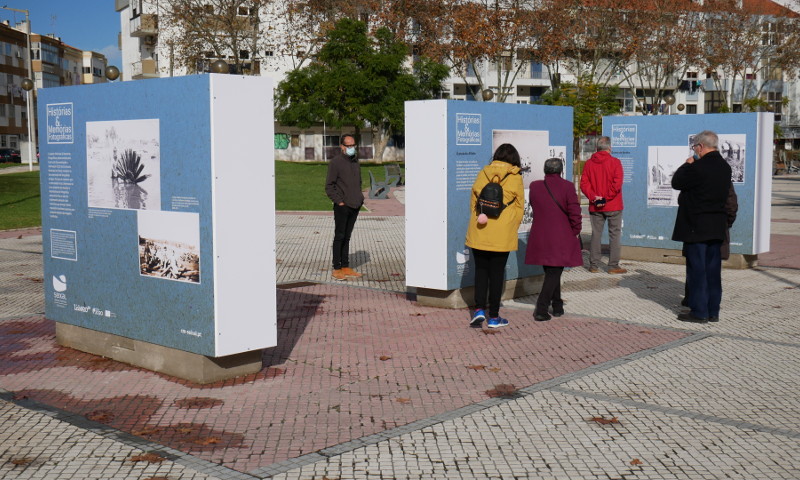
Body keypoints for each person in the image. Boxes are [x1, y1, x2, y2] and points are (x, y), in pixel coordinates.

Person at [672, 130, 732, 323]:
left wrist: (687, 164)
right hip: (716, 226)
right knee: (713, 271)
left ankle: (699, 312)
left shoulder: (698, 167)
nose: (694, 151)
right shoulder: (724, 166)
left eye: (695, 147)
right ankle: (713, 310)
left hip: (696, 226)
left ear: (701, 146)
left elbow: (676, 182)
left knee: (697, 270)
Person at [465, 144, 524, 328]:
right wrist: (510, 227)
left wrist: (480, 220)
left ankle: (479, 310)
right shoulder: (515, 177)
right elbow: (520, 208)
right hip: (502, 234)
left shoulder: (483, 173)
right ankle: (494, 317)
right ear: (514, 158)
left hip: (480, 231)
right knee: (497, 275)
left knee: (480, 271)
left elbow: (473, 203)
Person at [525, 158, 583, 321]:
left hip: (540, 236)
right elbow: (574, 211)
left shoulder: (535, 186)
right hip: (560, 237)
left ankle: (557, 305)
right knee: (554, 273)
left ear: (545, 170)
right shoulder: (567, 186)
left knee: (552, 271)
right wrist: (576, 230)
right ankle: (541, 309)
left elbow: (534, 205)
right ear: (561, 170)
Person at [682, 182, 738, 307]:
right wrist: (726, 224)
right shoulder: (723, 177)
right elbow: (732, 206)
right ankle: (708, 304)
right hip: (716, 230)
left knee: (695, 266)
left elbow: (683, 200)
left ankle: (694, 301)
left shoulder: (694, 175)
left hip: (695, 230)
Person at [580, 136, 626, 274]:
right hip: (613, 205)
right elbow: (617, 184)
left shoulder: (589, 164)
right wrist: (606, 198)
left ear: (597, 148)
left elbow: (584, 184)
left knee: (596, 234)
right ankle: (613, 266)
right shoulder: (615, 162)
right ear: (609, 148)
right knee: (615, 234)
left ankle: (593, 265)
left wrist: (595, 198)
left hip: (595, 206)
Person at [325, 134, 365, 281]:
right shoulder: (336, 162)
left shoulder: (355, 161)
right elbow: (329, 186)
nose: (351, 148)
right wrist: (339, 201)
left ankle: (346, 266)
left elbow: (358, 182)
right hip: (342, 206)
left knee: (347, 237)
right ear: (342, 147)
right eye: (348, 146)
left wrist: (360, 198)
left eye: (353, 145)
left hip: (355, 204)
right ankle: (337, 268)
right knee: (339, 236)